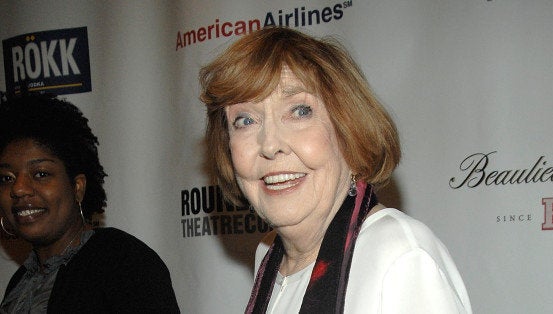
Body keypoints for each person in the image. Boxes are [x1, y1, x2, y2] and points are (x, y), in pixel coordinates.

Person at [199, 27, 472, 313]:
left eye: (299, 111)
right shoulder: (269, 257)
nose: (269, 145)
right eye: (245, 120)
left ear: (348, 131)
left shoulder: (399, 256)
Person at [0, 93, 180, 313]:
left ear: (77, 187)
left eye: (40, 174)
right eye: (6, 178)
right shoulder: (22, 281)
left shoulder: (123, 263)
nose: (18, 188)